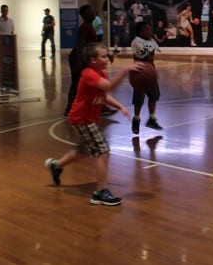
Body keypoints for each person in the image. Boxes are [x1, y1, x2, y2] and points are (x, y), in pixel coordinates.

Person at [44, 43, 141, 206]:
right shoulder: (88, 74)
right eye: (103, 56)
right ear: (93, 60)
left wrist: (120, 106)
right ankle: (100, 193)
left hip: (87, 118)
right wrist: (125, 71)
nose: (107, 58)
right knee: (103, 150)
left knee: (84, 150)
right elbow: (108, 87)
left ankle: (56, 165)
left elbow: (104, 93)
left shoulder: (101, 73)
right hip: (82, 119)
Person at [130, 22, 163, 134]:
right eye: (147, 30)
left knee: (154, 96)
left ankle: (152, 119)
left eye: (150, 29)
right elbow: (142, 54)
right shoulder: (136, 42)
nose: (150, 32)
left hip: (150, 73)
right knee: (139, 99)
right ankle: (136, 119)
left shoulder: (151, 41)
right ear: (140, 32)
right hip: (140, 73)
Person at [65, 5, 98, 116]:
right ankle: (69, 109)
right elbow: (79, 46)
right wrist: (79, 64)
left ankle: (100, 106)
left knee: (92, 83)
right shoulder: (85, 27)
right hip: (77, 58)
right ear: (84, 15)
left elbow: (91, 44)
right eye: (90, 11)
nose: (93, 13)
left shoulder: (89, 26)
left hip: (81, 58)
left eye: (93, 10)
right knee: (75, 84)